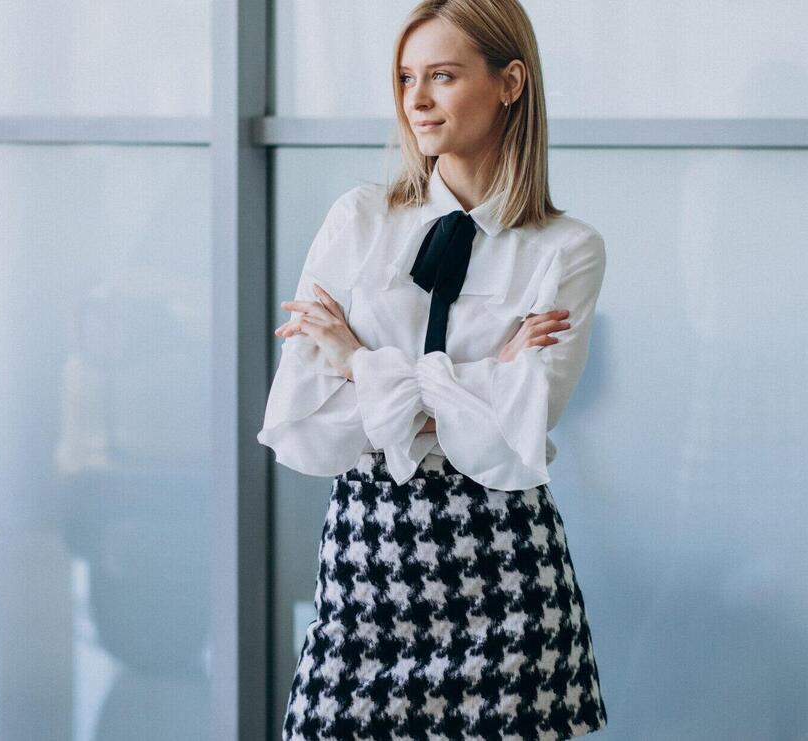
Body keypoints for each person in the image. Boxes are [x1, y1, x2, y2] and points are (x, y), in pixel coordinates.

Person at [258, 1, 609, 737]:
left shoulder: (566, 249)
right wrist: (478, 382)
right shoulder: (359, 220)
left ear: (509, 82)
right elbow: (305, 422)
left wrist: (357, 361)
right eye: (406, 77)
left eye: (442, 76)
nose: (415, 99)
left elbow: (522, 430)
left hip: (507, 573)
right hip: (365, 558)